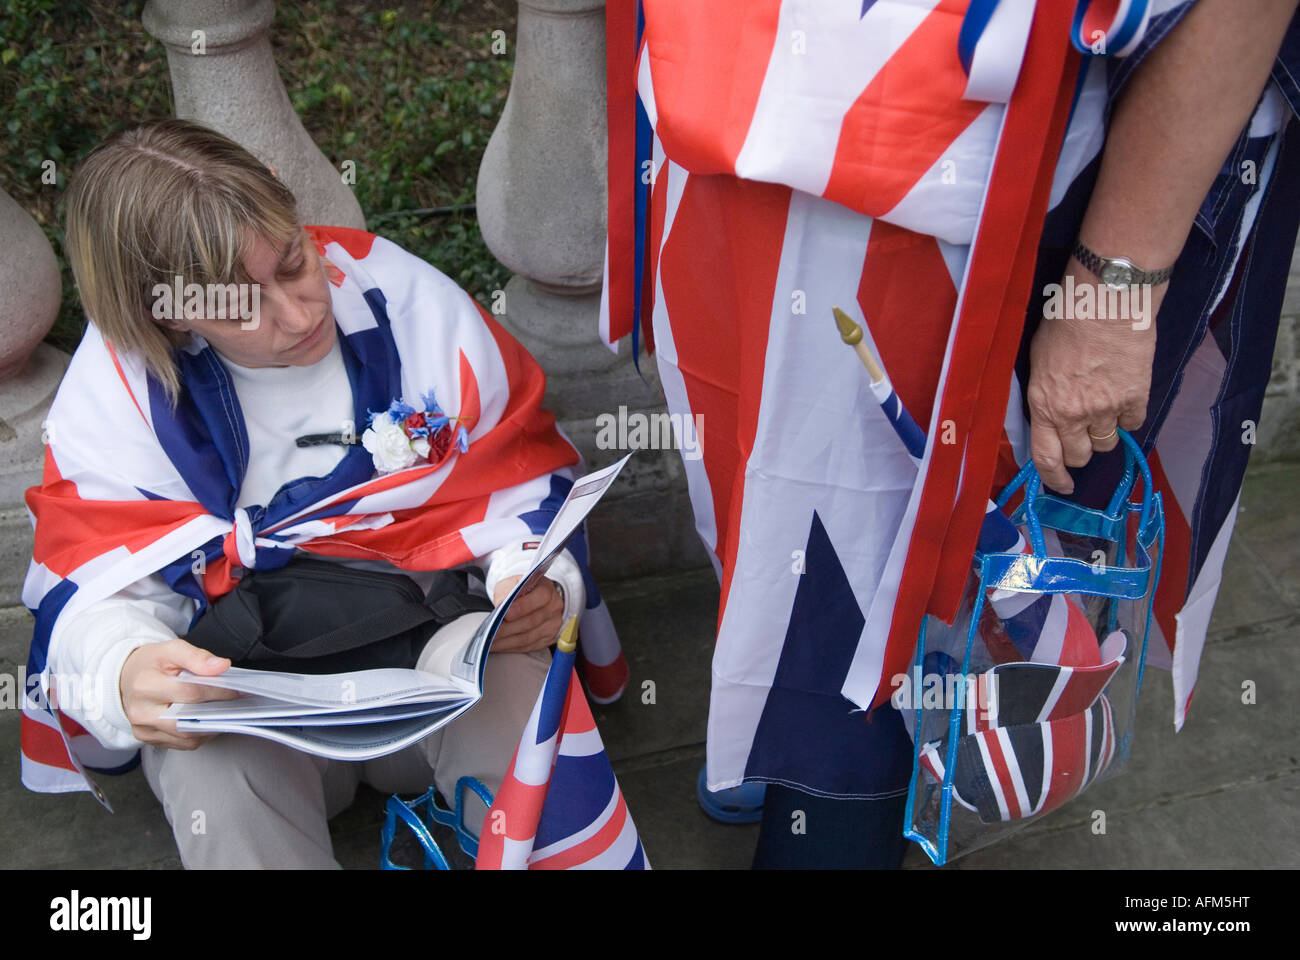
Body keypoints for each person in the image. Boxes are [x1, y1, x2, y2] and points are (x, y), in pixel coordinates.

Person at [612, 0, 1300, 867]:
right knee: (770, 508)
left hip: (991, 178)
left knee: (899, 591)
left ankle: (828, 814)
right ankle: (770, 730)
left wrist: (1109, 292)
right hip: (734, 99)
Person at [20, 118, 611, 869]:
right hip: (251, 689)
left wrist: (531, 579)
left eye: (294, 262)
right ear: (162, 311)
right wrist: (123, 666)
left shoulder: (407, 302)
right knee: (214, 777)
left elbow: (523, 481)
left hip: (428, 645)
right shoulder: (115, 397)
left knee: (521, 721)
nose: (300, 315)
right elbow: (92, 586)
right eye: (241, 306)